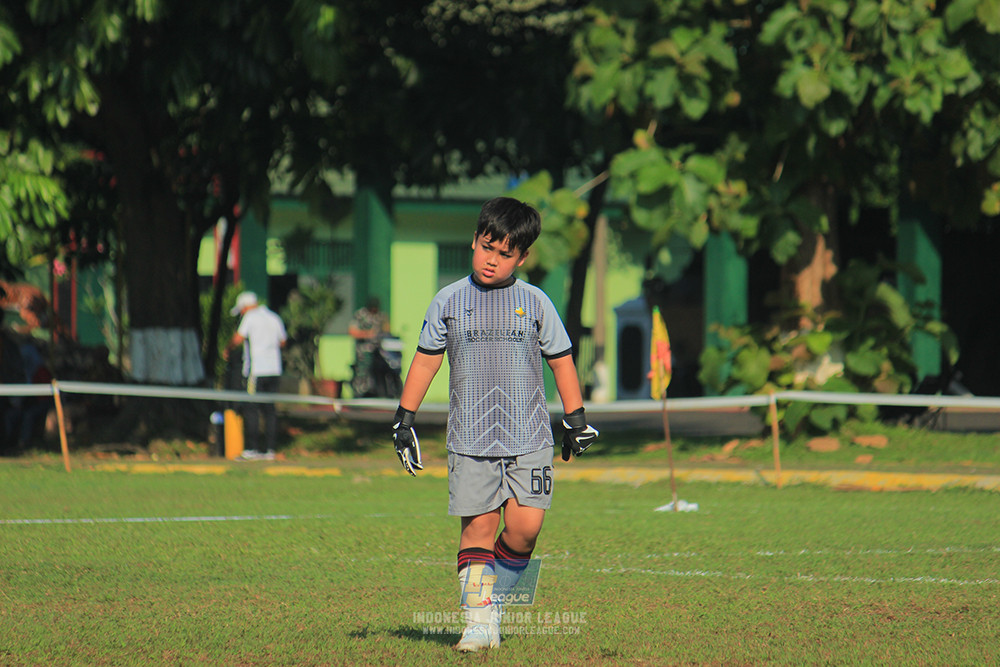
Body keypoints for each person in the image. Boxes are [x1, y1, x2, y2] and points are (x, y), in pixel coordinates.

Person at [390, 196, 599, 653]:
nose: (493, 260)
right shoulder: (448, 301)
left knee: (525, 529)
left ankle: (494, 605)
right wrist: (403, 420)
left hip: (529, 437)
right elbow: (425, 363)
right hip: (471, 438)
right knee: (479, 528)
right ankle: (478, 623)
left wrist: (576, 418)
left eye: (506, 254)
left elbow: (561, 361)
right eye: (488, 247)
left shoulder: (535, 302)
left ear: (522, 257)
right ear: (474, 241)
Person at [225, 291, 287, 461]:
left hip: (256, 370)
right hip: (274, 369)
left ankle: (251, 449)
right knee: (270, 410)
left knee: (251, 408)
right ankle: (270, 449)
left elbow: (238, 338)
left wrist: (228, 349)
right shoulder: (274, 317)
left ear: (245, 307)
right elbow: (282, 341)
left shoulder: (250, 318)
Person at [348, 296, 389, 397]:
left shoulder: (381, 316)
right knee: (362, 373)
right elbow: (352, 331)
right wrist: (367, 334)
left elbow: (387, 329)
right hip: (363, 352)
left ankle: (377, 394)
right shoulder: (360, 315)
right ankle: (359, 394)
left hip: (379, 351)